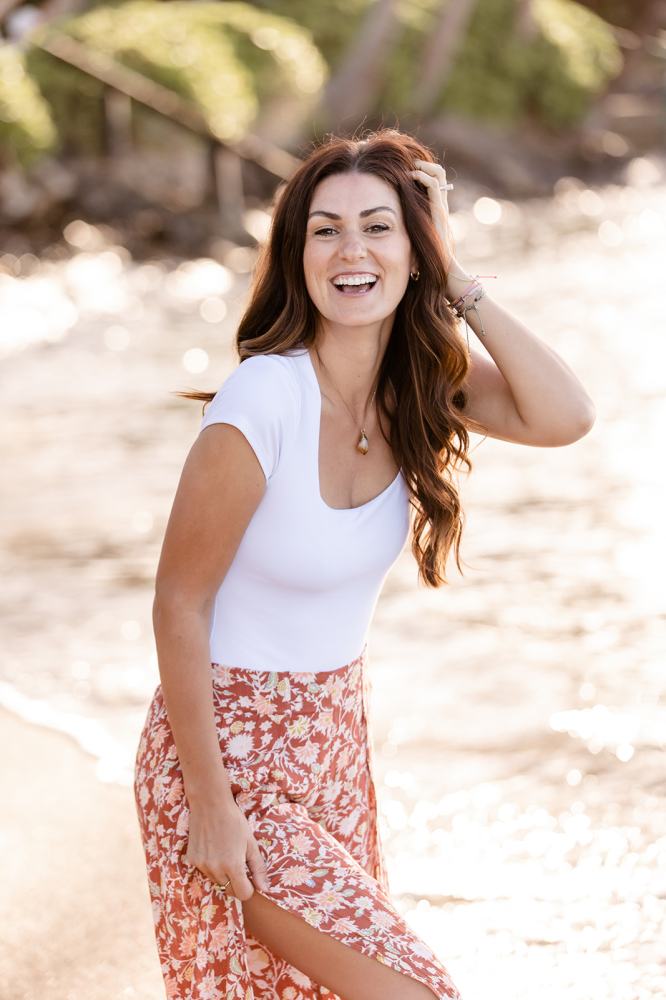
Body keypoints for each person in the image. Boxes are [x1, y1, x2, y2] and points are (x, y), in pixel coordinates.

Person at [133, 127, 595, 1000]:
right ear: (296, 255)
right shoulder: (263, 396)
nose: (353, 251)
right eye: (326, 229)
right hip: (229, 757)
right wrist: (211, 802)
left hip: (333, 744)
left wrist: (456, 275)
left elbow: (566, 415)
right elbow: (179, 603)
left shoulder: (420, 382)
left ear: (415, 249)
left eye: (380, 227)